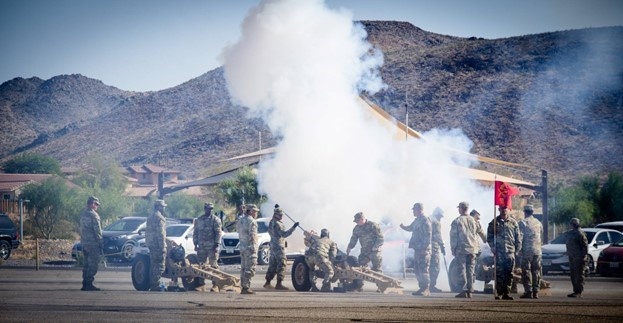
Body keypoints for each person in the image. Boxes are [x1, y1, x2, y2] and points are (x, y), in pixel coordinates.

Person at [487, 205, 522, 300]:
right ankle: (498, 292)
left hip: (510, 252)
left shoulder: (513, 222)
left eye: (506, 208)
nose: (504, 210)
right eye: (502, 208)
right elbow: (489, 237)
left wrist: (517, 249)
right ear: (499, 210)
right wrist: (493, 247)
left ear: (508, 209)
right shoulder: (494, 222)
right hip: (499, 252)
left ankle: (506, 292)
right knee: (499, 273)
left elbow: (518, 237)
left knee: (509, 273)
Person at [400, 203, 432, 296]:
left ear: (419, 209)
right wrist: (403, 227)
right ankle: (422, 287)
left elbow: (428, 236)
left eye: (414, 209)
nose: (413, 211)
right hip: (418, 249)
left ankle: (426, 289)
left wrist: (424, 248)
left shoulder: (425, 220)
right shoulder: (417, 220)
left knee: (423, 269)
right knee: (417, 269)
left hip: (423, 250)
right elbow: (410, 228)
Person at [450, 201, 480, 298]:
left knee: (461, 270)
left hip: (461, 249)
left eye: (459, 208)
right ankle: (470, 291)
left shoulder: (457, 221)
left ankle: (464, 290)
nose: (458, 209)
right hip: (473, 249)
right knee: (470, 270)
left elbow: (453, 236)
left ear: (461, 209)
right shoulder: (474, 220)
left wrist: (453, 249)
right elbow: (479, 232)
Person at [264, 206, 299, 290]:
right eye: (280, 215)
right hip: (279, 246)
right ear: (275, 214)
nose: (281, 216)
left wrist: (277, 208)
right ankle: (279, 283)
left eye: (282, 215)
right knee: (282, 263)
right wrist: (294, 227)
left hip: (272, 246)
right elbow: (284, 234)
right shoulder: (278, 224)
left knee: (273, 264)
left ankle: (267, 282)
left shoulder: (272, 222)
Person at [193, 202, 223, 291]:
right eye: (208, 208)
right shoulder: (199, 220)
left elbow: (218, 233)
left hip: (212, 246)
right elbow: (196, 232)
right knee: (201, 266)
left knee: (213, 266)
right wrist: (195, 243)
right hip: (201, 246)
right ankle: (201, 284)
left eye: (211, 209)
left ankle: (215, 285)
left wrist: (217, 245)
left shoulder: (215, 220)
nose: (210, 210)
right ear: (204, 208)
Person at [519, 204, 543, 299]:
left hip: (527, 251)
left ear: (525, 212)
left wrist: (519, 249)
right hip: (537, 251)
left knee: (526, 271)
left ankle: (528, 291)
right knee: (536, 271)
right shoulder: (538, 222)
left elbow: (520, 237)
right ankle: (536, 291)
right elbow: (541, 235)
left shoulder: (523, 222)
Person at [79, 196, 103, 291]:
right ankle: (88, 283)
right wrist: (100, 242)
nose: (97, 206)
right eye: (96, 204)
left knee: (86, 264)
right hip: (93, 244)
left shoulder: (83, 214)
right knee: (93, 264)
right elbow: (97, 231)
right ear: (92, 204)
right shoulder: (94, 215)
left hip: (84, 243)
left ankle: (85, 283)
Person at [146, 199, 167, 291]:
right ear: (159, 207)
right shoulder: (159, 217)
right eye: (162, 207)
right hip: (158, 245)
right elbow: (161, 233)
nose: (163, 208)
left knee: (153, 264)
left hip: (151, 244)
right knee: (159, 265)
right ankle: (156, 284)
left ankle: (153, 284)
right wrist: (163, 246)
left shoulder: (150, 216)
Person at [237, 204, 259, 294]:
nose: (256, 213)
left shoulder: (241, 220)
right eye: (255, 211)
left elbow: (238, 231)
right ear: (250, 211)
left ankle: (243, 286)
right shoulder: (252, 221)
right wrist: (253, 248)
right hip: (249, 248)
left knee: (243, 268)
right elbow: (252, 236)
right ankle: (246, 287)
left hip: (242, 247)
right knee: (250, 268)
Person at [565, 217, 588, 298]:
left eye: (572, 224)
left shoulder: (580, 233)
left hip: (579, 258)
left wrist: (583, 257)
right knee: (573, 275)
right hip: (572, 257)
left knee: (579, 275)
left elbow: (585, 247)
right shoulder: (571, 233)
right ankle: (575, 291)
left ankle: (579, 291)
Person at [430, 207, 446, 293]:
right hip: (434, 247)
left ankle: (426, 285)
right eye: (440, 216)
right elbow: (438, 236)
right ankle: (431, 286)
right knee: (435, 267)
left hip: (426, 247)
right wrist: (442, 246)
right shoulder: (436, 223)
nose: (440, 218)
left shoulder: (428, 219)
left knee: (427, 267)